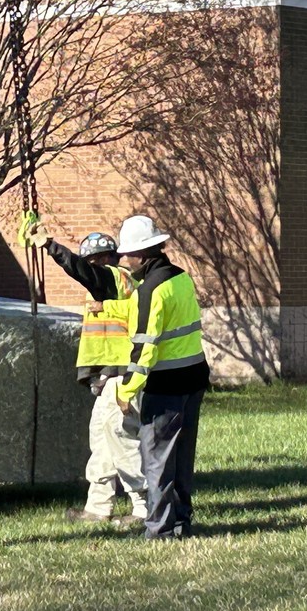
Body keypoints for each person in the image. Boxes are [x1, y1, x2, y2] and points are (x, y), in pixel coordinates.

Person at [28, 224, 147, 525]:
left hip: (122, 376)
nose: (90, 270)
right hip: (109, 377)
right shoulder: (115, 287)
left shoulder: (114, 278)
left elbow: (82, 270)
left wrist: (51, 246)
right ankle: (97, 508)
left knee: (121, 439)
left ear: (104, 259)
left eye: (93, 262)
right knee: (102, 442)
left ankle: (145, 507)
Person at [106, 215, 209, 540]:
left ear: (144, 254)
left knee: (158, 461)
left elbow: (144, 350)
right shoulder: (181, 278)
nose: (123, 260)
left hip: (164, 387)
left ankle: (160, 529)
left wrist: (126, 390)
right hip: (193, 380)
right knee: (180, 460)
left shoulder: (149, 292)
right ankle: (180, 523)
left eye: (127, 254)